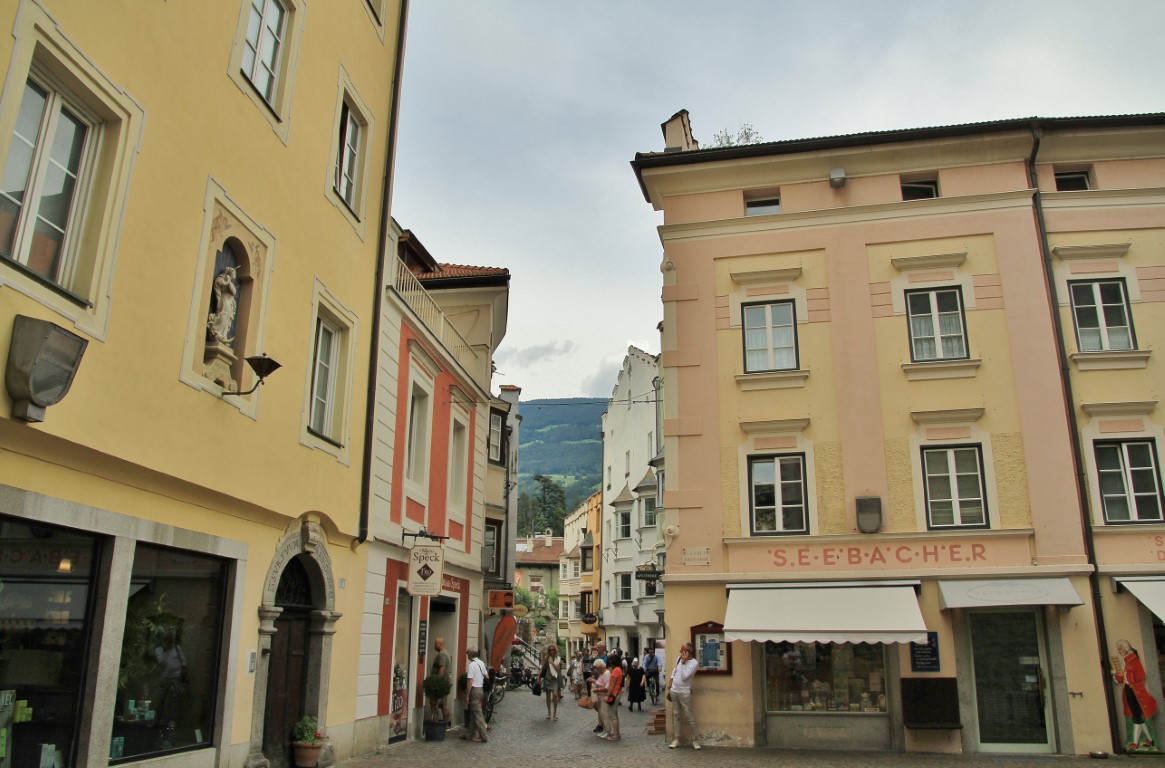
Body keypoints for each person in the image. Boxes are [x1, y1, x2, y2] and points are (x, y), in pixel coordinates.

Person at [1113, 639, 1159, 752]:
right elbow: (1124, 677)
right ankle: (1150, 740)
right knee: (1137, 716)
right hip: (1129, 690)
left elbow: (1140, 675)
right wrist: (1118, 674)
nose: (1119, 651)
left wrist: (1127, 677)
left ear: (1125, 649)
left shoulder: (1132, 660)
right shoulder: (1126, 661)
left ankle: (1134, 742)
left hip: (1135, 692)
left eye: (1120, 649)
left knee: (1137, 717)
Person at [668, 641, 700, 749]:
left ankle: (695, 740)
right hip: (674, 691)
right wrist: (670, 683)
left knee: (689, 716)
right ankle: (676, 739)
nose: (680, 652)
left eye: (682, 650)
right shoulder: (679, 659)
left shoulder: (694, 663)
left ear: (688, 652)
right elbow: (675, 671)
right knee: (676, 715)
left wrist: (683, 662)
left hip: (684, 693)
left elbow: (684, 677)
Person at [463, 648, 489, 743]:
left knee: (478, 714)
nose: (467, 655)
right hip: (481, 689)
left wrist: (467, 695)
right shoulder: (481, 663)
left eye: (467, 653)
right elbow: (486, 676)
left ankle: (484, 736)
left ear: (470, 654)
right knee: (474, 714)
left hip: (475, 690)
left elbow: (470, 681)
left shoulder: (472, 665)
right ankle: (469, 734)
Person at [541, 645, 564, 720]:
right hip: (548, 678)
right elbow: (542, 667)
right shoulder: (547, 658)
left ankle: (555, 711)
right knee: (548, 696)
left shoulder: (558, 659)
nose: (552, 651)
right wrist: (539, 677)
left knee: (555, 695)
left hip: (555, 678)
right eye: (550, 650)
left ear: (555, 650)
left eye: (553, 649)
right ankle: (549, 712)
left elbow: (558, 669)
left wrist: (552, 663)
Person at [605, 649, 624, 741]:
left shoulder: (616, 671)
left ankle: (616, 734)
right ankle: (617, 732)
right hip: (618, 693)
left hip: (614, 694)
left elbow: (612, 685)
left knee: (612, 714)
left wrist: (608, 695)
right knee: (615, 714)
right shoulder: (620, 669)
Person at [590, 659, 611, 739]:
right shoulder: (602, 673)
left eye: (597, 668)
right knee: (602, 714)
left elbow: (607, 687)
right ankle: (605, 731)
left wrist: (596, 685)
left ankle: (608, 731)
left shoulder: (606, 673)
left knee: (605, 714)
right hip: (601, 697)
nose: (596, 670)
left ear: (600, 667)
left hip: (604, 697)